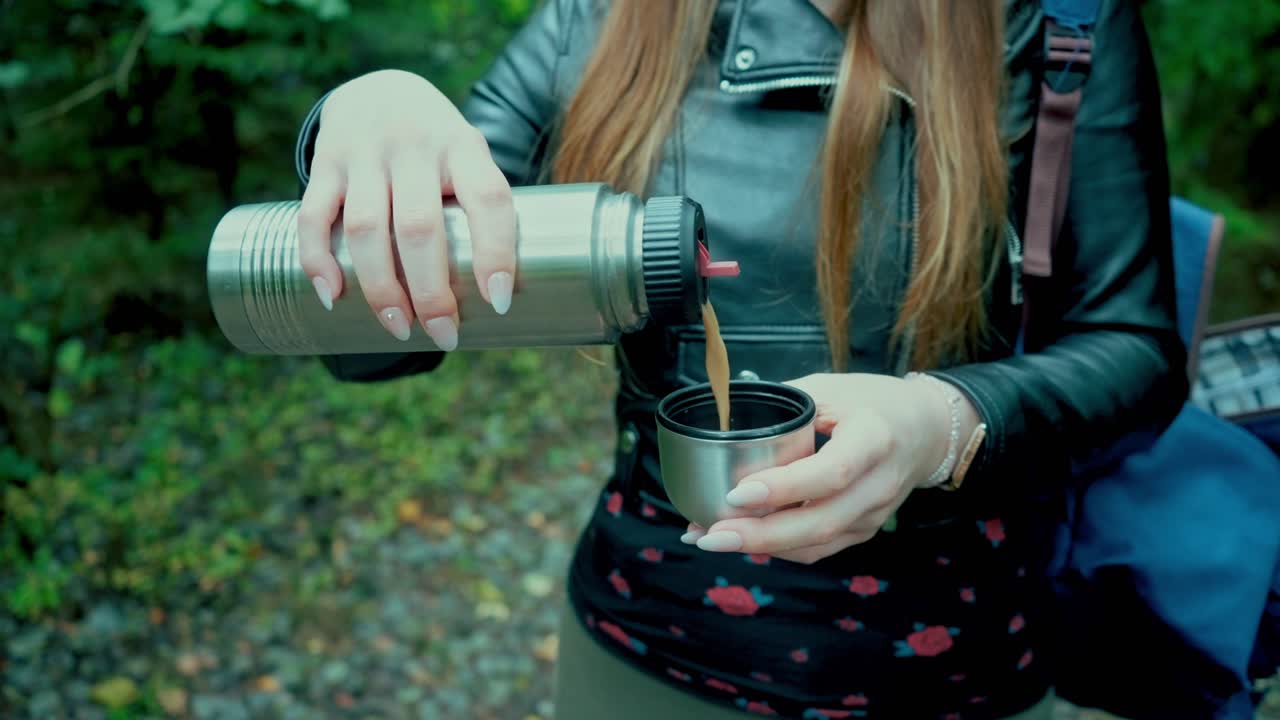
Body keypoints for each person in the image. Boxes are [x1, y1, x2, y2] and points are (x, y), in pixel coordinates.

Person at [293, 0, 1186, 717]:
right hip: (643, 655)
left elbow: (1136, 351)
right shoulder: (597, 20)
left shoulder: (1059, 23)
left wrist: (943, 423)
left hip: (961, 671)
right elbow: (373, 345)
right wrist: (368, 113)